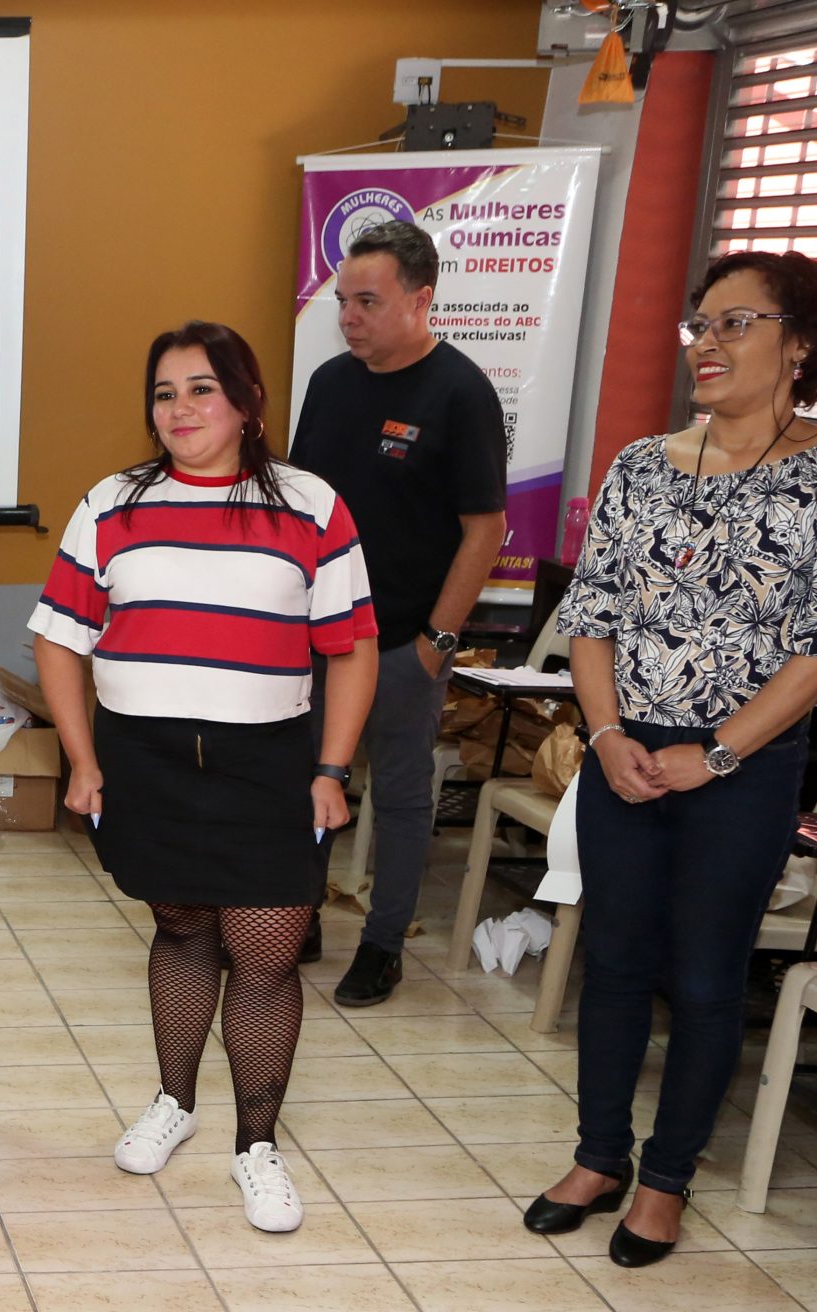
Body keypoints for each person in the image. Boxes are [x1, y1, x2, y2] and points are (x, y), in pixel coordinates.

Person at [524, 250, 817, 1268]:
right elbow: (590, 616)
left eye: (734, 324)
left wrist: (714, 756)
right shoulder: (642, 466)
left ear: (800, 343)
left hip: (743, 770)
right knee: (614, 960)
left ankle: (666, 1180)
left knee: (701, 976)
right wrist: (606, 739)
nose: (706, 343)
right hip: (622, 756)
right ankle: (598, 1155)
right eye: (700, 325)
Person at [32, 321, 377, 1232]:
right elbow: (59, 638)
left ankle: (256, 1145)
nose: (179, 408)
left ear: (248, 401)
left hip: (269, 763)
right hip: (144, 760)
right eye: (163, 391)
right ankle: (175, 1102)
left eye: (200, 388)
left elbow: (353, 647)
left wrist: (333, 768)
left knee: (264, 952)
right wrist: (82, 759)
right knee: (182, 928)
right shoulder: (112, 503)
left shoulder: (309, 504)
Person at [289, 219, 508, 1006]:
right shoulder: (329, 383)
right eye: (343, 300)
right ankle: (299, 917)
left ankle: (384, 943)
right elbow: (300, 507)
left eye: (367, 302)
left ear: (420, 301)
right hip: (315, 632)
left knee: (403, 795)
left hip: (403, 639)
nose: (348, 316)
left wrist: (436, 641)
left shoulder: (459, 392)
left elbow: (487, 528)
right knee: (303, 777)